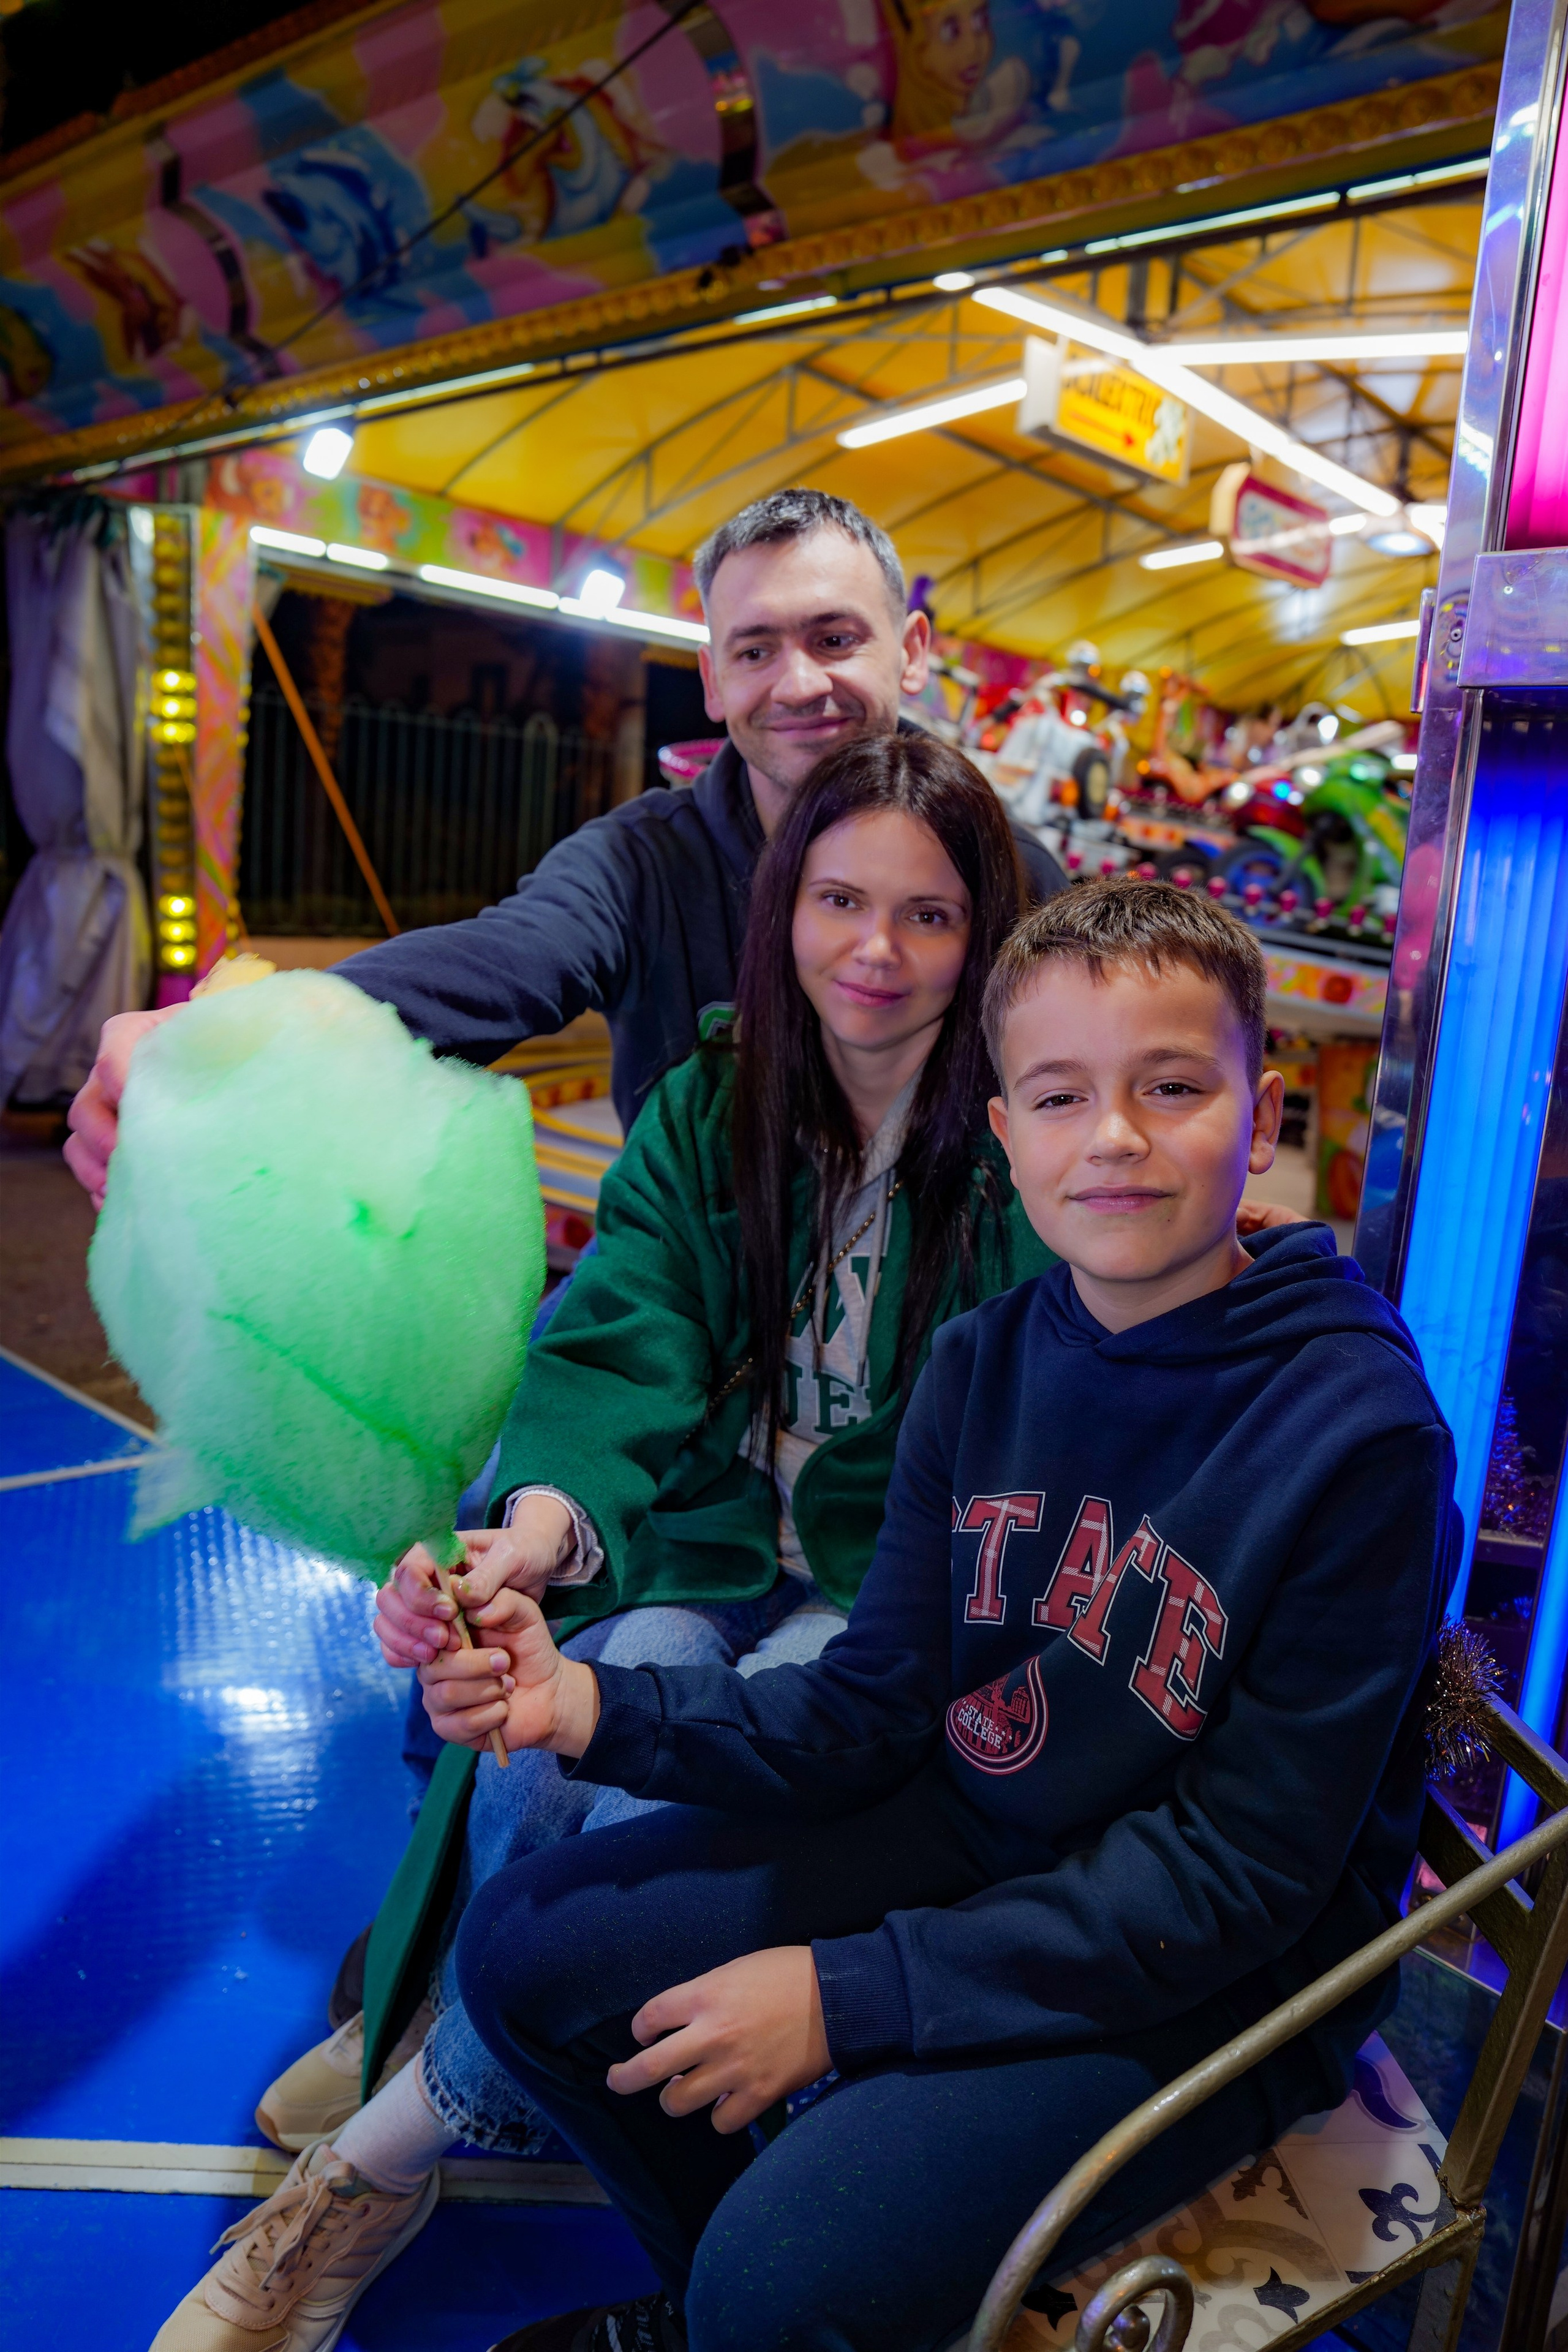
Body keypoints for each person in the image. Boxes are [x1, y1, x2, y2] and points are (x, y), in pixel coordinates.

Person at [409, 878, 1455, 2352]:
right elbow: (873, 1704)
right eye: (1058, 1094)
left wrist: (854, 1993)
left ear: (1263, 1115)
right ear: (1004, 1130)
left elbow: (1244, 1875)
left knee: (792, 2275)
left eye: (1170, 1086)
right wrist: (582, 1708)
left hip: (1219, 1974)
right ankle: (720, 2315)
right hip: (975, 1831)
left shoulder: (1356, 1432)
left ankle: (751, 2311)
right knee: (526, 1956)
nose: (1112, 1136)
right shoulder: (980, 1364)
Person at [149, 733, 1057, 2352]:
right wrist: (537, 1540)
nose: (876, 949)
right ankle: (456, 2032)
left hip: (872, 1596)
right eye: (840, 899)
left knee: (649, 1779)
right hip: (698, 1542)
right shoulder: (716, 1102)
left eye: (927, 915)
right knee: (573, 1686)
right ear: (782, 902)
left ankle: (381, 2155)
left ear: (985, 929)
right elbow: (619, 1352)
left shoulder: (1016, 1147)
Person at [63, 488, 1066, 1205]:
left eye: (836, 638)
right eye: (756, 650)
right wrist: (245, 1037)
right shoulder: (638, 862)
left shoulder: (1017, 876)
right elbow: (502, 960)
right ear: (713, 685)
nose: (799, 683)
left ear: (915, 651)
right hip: (691, 1326)